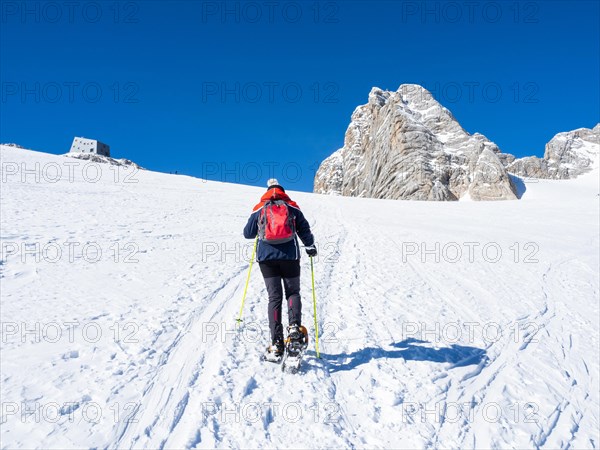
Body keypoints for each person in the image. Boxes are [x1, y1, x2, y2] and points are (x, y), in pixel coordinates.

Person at [243, 178, 317, 358]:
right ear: (283, 191)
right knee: (293, 293)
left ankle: (276, 343)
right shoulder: (292, 207)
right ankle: (294, 330)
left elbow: (247, 234)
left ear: (267, 191)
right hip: (290, 257)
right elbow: (304, 229)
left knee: (274, 297)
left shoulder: (260, 208)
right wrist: (310, 246)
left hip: (266, 259)